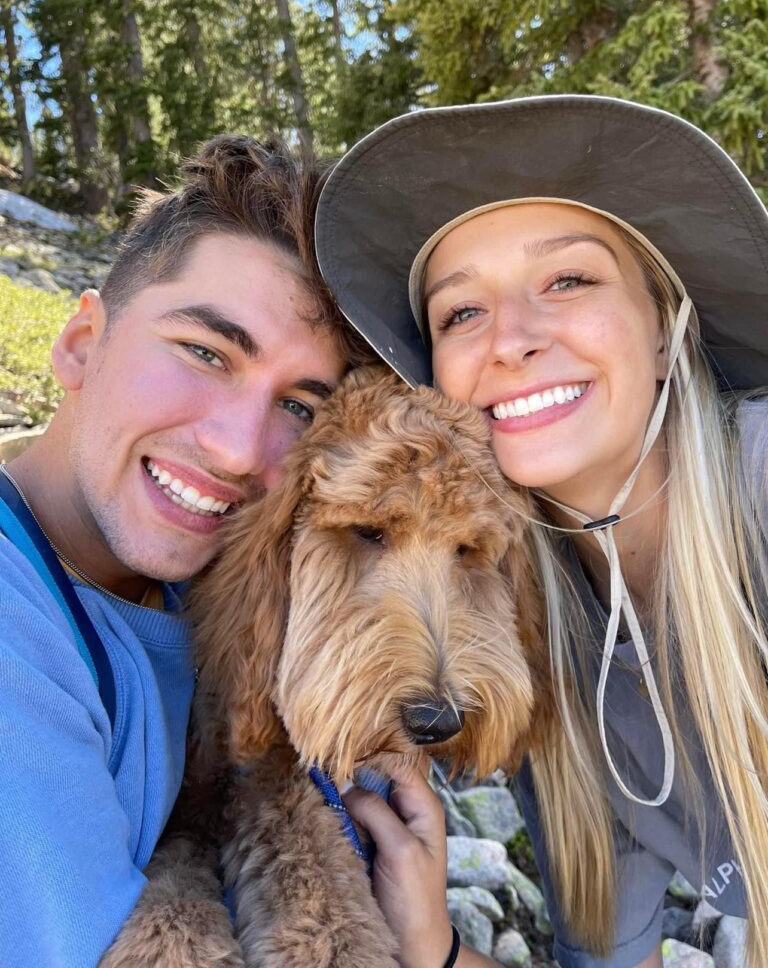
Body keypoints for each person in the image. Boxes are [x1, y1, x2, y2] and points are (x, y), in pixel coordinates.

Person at [315, 95, 768, 968]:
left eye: (569, 279)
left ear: (668, 329)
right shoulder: (533, 655)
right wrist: (434, 949)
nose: (512, 340)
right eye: (460, 313)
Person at [0, 134, 372, 967]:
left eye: (301, 408)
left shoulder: (197, 585)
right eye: (206, 352)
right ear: (81, 343)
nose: (241, 450)